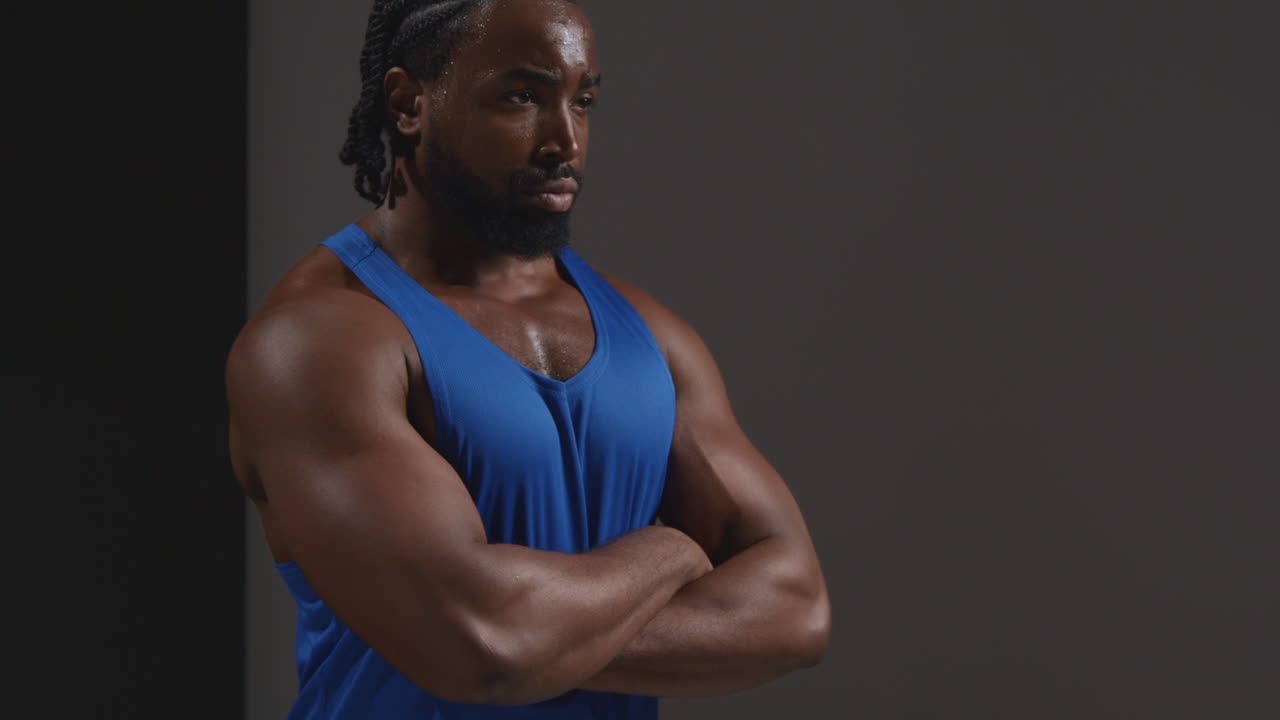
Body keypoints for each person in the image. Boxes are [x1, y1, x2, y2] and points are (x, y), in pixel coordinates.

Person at [225, 0, 831, 717]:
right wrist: (668, 551)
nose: (564, 140)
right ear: (409, 104)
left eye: (583, 101)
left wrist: (537, 643)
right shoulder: (317, 344)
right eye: (521, 97)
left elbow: (797, 608)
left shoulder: (650, 333)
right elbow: (480, 646)